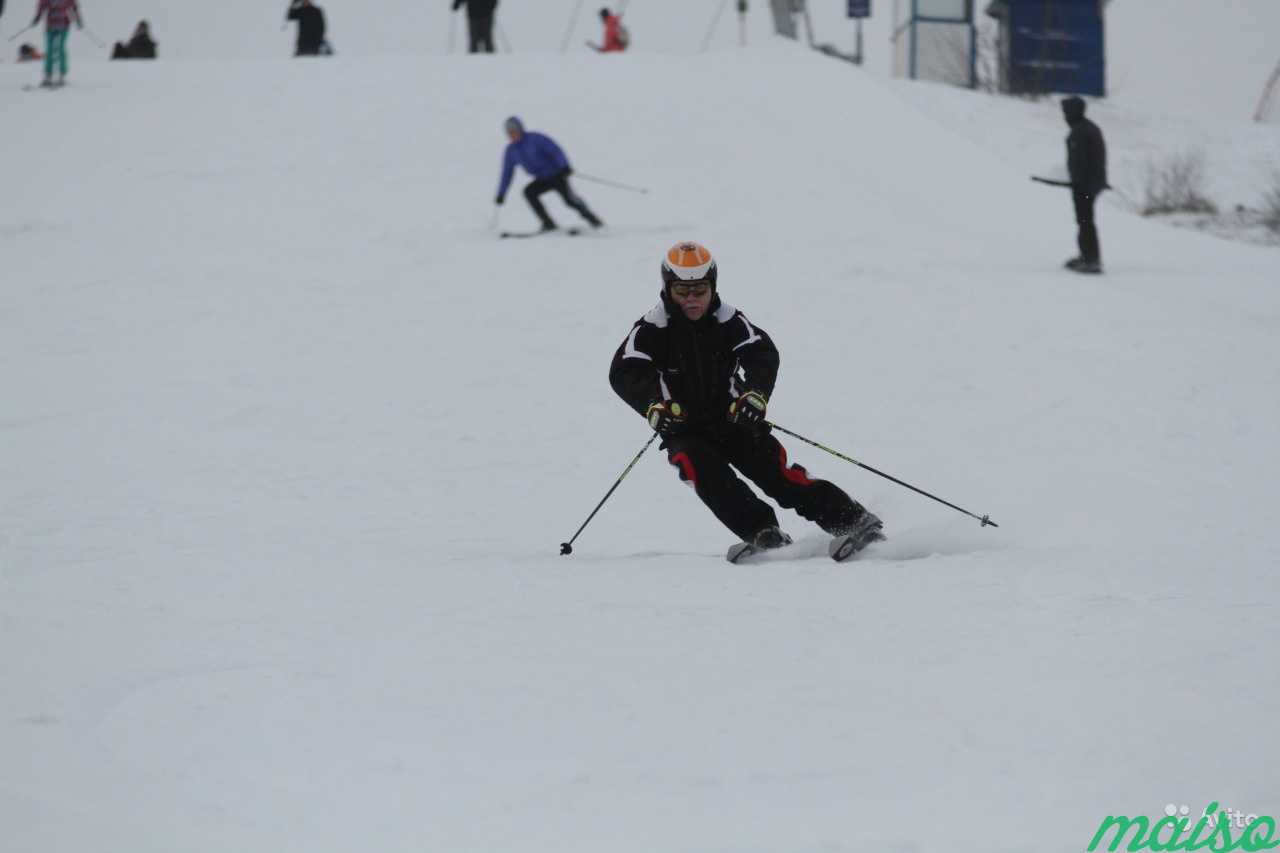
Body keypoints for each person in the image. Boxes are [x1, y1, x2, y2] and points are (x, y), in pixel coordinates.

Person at [608, 242, 885, 553]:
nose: (691, 300)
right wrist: (653, 406)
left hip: (735, 418)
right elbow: (624, 372)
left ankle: (854, 522)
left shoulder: (729, 320)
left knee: (779, 478)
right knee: (707, 477)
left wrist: (755, 396)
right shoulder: (651, 328)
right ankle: (763, 533)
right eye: (681, 291)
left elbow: (761, 354)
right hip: (683, 427)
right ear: (667, 289)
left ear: (712, 286)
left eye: (699, 290)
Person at [495, 116, 604, 233]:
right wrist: (501, 193)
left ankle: (595, 221)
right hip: (541, 179)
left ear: (521, 129)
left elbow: (555, 150)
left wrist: (564, 166)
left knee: (569, 200)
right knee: (529, 192)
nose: (513, 135)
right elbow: (507, 173)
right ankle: (548, 224)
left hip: (557, 175)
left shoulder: (535, 139)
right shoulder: (511, 151)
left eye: (515, 131)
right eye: (510, 133)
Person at [1061, 95, 1108, 274]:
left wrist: (1077, 182)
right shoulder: (1087, 128)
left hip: (1085, 186)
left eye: (1066, 112)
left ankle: (1091, 259)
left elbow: (1081, 162)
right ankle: (1086, 255)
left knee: (1085, 220)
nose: (1064, 116)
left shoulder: (1080, 132)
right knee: (1084, 220)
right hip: (1089, 184)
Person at [30, 0, 81, 87]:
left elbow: (74, 7)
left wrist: (78, 19)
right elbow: (41, 6)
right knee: (49, 50)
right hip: (50, 25)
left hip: (64, 25)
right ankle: (48, 75)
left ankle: (62, 75)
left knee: (61, 49)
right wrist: (37, 18)